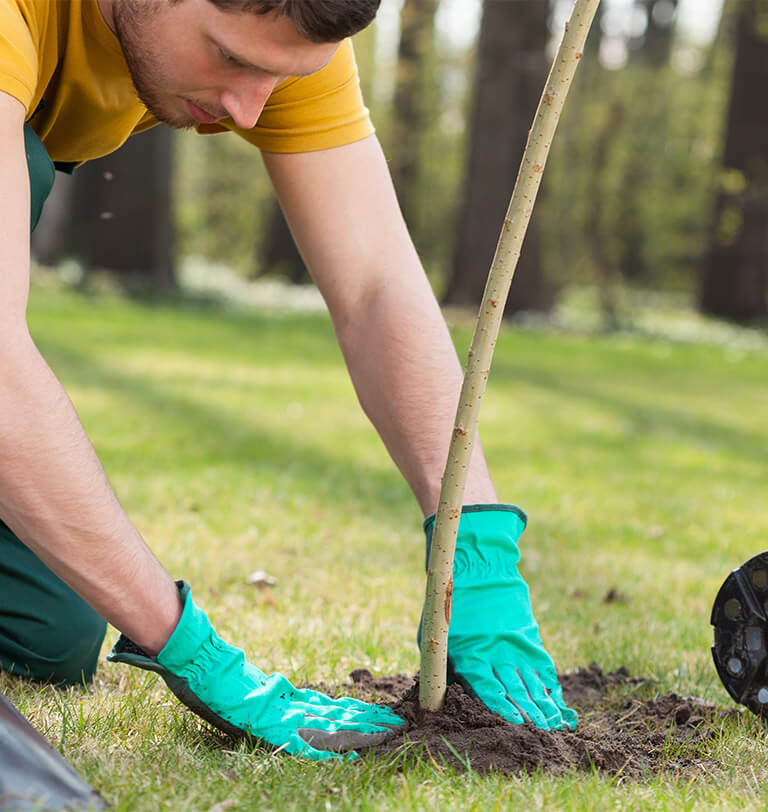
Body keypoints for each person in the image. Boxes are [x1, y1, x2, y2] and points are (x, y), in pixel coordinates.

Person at [0, 0, 577, 760]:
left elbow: (375, 286)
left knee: (50, 635)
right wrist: (189, 648)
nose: (246, 108)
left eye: (277, 75)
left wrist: (478, 549)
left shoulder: (277, 37)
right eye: (229, 58)